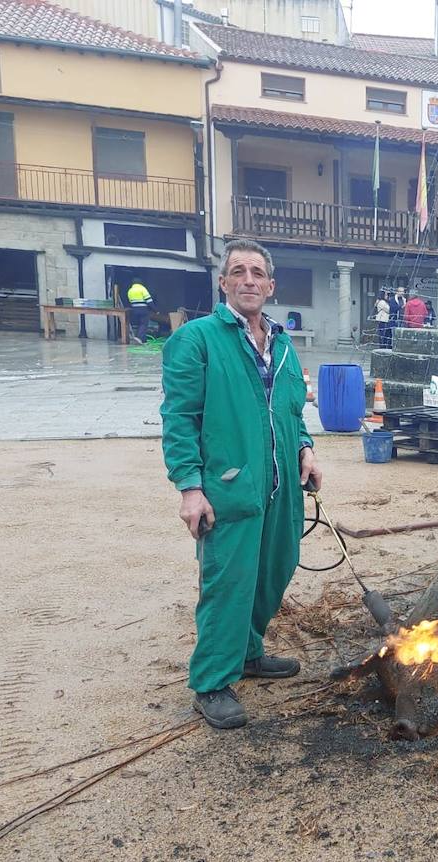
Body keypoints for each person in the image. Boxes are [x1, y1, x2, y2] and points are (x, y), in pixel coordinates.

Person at [160, 239, 323, 730]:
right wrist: (190, 487)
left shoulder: (283, 344)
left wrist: (306, 448)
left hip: (281, 486)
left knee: (274, 570)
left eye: (257, 272)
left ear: (270, 286)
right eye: (238, 271)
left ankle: (248, 652)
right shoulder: (198, 340)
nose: (248, 280)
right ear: (223, 282)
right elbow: (179, 417)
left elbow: (292, 410)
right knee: (229, 582)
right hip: (230, 485)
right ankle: (212, 681)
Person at [127, 278, 154, 344]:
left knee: (139, 324)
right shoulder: (142, 289)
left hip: (134, 310)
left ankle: (143, 340)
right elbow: (149, 301)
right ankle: (139, 338)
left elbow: (130, 301)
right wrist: (155, 310)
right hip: (143, 310)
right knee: (144, 324)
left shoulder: (130, 290)